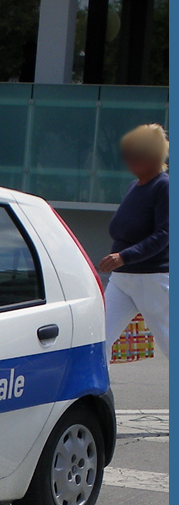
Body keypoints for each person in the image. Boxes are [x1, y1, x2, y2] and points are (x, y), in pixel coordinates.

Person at [99, 123, 169, 359]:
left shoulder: (164, 186)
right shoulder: (134, 186)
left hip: (154, 279)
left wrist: (123, 256)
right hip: (122, 279)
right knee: (98, 341)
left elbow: (165, 234)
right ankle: (98, 395)